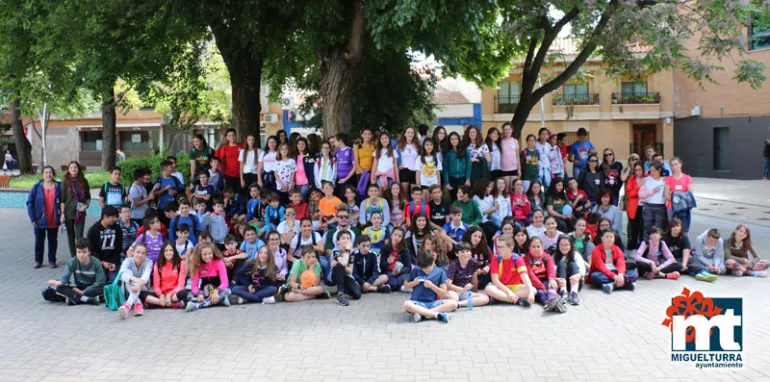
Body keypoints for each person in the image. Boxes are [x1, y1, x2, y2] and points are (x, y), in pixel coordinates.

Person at [401, 250, 457, 323]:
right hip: (417, 303)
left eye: (426, 268)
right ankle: (435, 314)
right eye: (422, 268)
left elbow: (444, 293)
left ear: (433, 262)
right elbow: (406, 285)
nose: (424, 270)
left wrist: (432, 286)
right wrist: (414, 283)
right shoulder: (416, 269)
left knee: (454, 303)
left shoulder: (440, 272)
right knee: (406, 304)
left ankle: (423, 314)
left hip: (433, 303)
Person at [43, 239, 103, 305]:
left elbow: (99, 282)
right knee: (59, 288)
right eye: (79, 252)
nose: (81, 255)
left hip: (92, 288)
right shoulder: (72, 262)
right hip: (79, 287)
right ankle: (87, 299)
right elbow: (65, 279)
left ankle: (75, 299)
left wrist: (83, 292)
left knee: (104, 289)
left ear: (89, 252)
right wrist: (58, 282)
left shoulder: (96, 262)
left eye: (84, 252)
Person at [483, 234, 534, 306]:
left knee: (533, 290)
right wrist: (508, 292)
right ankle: (517, 300)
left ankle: (501, 298)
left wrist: (531, 293)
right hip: (501, 287)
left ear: (511, 248)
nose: (499, 250)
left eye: (502, 247)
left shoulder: (518, 258)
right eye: (498, 247)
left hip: (516, 287)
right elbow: (495, 281)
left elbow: (525, 277)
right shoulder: (495, 258)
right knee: (488, 289)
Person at [27, 166, 61, 268]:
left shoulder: (59, 186)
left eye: (50, 172)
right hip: (39, 219)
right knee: (39, 242)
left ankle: (52, 260)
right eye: (46, 173)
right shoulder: (36, 187)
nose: (48, 175)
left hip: (54, 218)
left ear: (53, 174)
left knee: (53, 241)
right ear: (42, 174)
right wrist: (33, 218)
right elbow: (29, 203)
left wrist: (62, 215)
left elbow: (63, 201)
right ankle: (38, 261)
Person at [523, 237, 567, 313]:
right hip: (533, 283)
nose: (536, 249)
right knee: (541, 293)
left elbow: (551, 269)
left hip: (546, 280)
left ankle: (552, 301)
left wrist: (551, 279)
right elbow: (531, 276)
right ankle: (548, 303)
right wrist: (542, 287)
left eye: (538, 246)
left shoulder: (546, 256)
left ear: (542, 247)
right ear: (529, 247)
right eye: (533, 247)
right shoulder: (525, 259)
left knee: (551, 287)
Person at [588, 229, 638, 294]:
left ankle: (611, 285)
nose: (609, 239)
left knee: (634, 274)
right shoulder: (596, 250)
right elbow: (601, 267)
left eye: (611, 237)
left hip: (616, 272)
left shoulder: (617, 249)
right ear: (602, 238)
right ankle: (625, 284)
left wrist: (620, 275)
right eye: (606, 237)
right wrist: (615, 277)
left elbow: (621, 263)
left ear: (614, 238)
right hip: (602, 273)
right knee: (595, 276)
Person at [141, 242, 188, 310]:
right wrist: (161, 295)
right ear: (162, 252)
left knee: (185, 293)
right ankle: (168, 304)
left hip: (174, 295)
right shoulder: (158, 264)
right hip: (162, 295)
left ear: (174, 251)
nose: (169, 252)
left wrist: (170, 294)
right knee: (141, 294)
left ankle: (160, 304)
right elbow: (156, 286)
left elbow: (181, 285)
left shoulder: (180, 263)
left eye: (171, 250)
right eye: (166, 250)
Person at [186, 242, 232, 312]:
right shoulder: (196, 265)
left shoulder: (219, 262)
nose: (207, 256)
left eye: (210, 254)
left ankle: (197, 305)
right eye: (204, 254)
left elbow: (225, 282)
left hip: (218, 290)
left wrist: (216, 291)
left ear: (213, 253)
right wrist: (198, 294)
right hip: (204, 292)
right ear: (199, 255)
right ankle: (219, 300)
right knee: (189, 295)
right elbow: (194, 286)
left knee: (227, 291)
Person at [60, 161, 91, 258]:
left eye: (75, 167)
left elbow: (88, 197)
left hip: (80, 213)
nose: (73, 169)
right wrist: (62, 213)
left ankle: (80, 255)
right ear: (68, 170)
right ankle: (73, 256)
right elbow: (62, 199)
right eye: (71, 168)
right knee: (71, 236)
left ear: (78, 169)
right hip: (68, 212)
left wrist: (86, 206)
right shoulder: (65, 181)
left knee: (79, 236)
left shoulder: (84, 181)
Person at [446, 242, 491, 308]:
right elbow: (448, 285)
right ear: (457, 254)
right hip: (454, 291)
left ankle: (459, 304)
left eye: (467, 251)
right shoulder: (454, 265)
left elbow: (474, 278)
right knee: (453, 298)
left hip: (465, 292)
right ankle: (457, 303)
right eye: (462, 252)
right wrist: (462, 289)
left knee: (485, 298)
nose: (466, 254)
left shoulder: (473, 262)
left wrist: (474, 290)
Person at [86, 206, 123, 283]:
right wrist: (102, 262)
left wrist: (114, 262)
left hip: (113, 261)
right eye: (112, 217)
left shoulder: (117, 229)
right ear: (105, 217)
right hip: (99, 261)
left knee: (115, 283)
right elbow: (91, 250)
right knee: (102, 282)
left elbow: (118, 247)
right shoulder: (93, 230)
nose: (115, 219)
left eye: (116, 217)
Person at [117, 242, 153, 319]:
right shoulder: (127, 261)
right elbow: (121, 274)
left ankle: (127, 306)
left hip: (143, 288)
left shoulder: (149, 262)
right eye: (138, 252)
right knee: (128, 274)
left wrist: (138, 284)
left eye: (143, 253)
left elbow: (145, 277)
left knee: (133, 282)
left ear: (145, 255)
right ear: (133, 252)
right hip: (129, 289)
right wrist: (134, 279)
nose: (140, 255)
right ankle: (138, 304)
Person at [664, 157, 694, 234]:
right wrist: (681, 194)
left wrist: (674, 194)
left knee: (684, 229)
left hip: (684, 207)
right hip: (672, 207)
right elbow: (666, 196)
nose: (674, 167)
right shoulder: (669, 179)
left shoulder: (687, 178)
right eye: (672, 165)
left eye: (676, 164)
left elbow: (690, 195)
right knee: (673, 229)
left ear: (680, 164)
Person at [554, 235, 586, 305]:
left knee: (572, 264)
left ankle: (574, 293)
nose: (564, 247)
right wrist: (556, 279)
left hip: (575, 282)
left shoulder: (575, 255)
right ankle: (563, 292)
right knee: (562, 264)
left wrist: (578, 276)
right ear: (558, 245)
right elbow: (552, 271)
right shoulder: (554, 256)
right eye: (561, 245)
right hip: (561, 284)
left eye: (566, 245)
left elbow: (582, 270)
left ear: (571, 245)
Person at [639, 162, 667, 239]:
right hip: (648, 206)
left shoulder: (665, 180)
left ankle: (658, 246)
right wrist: (652, 191)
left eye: (654, 171)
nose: (652, 173)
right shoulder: (646, 180)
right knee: (647, 226)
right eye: (650, 171)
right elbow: (641, 194)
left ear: (659, 170)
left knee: (659, 227)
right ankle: (646, 246)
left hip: (661, 206)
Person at [380, 226, 412, 292]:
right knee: (393, 284)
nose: (397, 237)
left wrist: (400, 271)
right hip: (389, 271)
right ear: (391, 235)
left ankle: (404, 286)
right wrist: (388, 262)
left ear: (402, 239)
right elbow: (382, 266)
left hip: (401, 272)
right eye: (395, 235)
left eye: (399, 236)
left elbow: (408, 266)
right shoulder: (385, 248)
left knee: (400, 282)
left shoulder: (404, 250)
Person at [153, 160, 184, 227]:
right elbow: (154, 194)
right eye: (171, 167)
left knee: (175, 227)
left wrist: (175, 191)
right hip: (162, 208)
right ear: (165, 168)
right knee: (164, 228)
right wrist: (164, 189)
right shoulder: (158, 180)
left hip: (174, 208)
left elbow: (182, 188)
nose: (173, 168)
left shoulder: (175, 179)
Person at [215, 128, 245, 193]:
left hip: (241, 175)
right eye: (230, 135)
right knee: (230, 194)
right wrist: (223, 176)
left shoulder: (242, 146)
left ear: (236, 136)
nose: (232, 137)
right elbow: (222, 162)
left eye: (233, 135)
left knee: (240, 195)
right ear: (227, 137)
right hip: (229, 175)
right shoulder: (224, 148)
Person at [442, 132, 471, 197]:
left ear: (459, 139)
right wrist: (447, 182)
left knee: (462, 197)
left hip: (462, 178)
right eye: (452, 139)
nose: (454, 141)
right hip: (452, 179)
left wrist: (468, 179)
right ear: (449, 141)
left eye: (456, 138)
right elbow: (445, 168)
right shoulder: (448, 153)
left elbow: (469, 166)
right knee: (453, 198)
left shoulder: (465, 150)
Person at [625, 162, 644, 251]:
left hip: (645, 206)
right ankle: (633, 247)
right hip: (634, 207)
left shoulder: (648, 177)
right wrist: (638, 186)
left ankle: (642, 247)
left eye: (640, 170)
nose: (638, 172)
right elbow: (631, 194)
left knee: (643, 228)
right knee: (634, 228)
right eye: (636, 170)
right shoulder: (631, 179)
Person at [397, 126, 420, 195]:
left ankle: (413, 206)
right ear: (405, 134)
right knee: (404, 194)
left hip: (415, 171)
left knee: (414, 194)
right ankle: (406, 206)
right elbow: (395, 157)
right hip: (404, 170)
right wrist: (398, 165)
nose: (410, 134)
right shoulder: (399, 145)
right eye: (408, 132)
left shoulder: (418, 145)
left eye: (412, 132)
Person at [499, 123, 521, 192]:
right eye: (505, 129)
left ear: (512, 130)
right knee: (506, 189)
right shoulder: (500, 141)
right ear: (503, 131)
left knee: (513, 188)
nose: (507, 131)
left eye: (509, 129)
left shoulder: (515, 141)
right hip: (504, 168)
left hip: (514, 168)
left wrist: (519, 169)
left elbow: (517, 156)